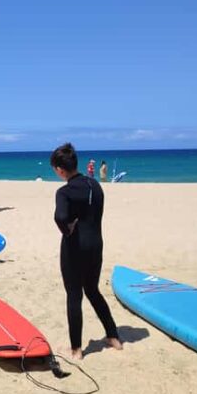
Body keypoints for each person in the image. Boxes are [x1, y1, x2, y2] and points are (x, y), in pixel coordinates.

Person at [50, 143, 122, 360]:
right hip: (95, 245)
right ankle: (114, 337)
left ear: (60, 170)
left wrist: (67, 228)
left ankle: (76, 350)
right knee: (92, 290)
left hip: (74, 247)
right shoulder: (95, 186)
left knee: (74, 295)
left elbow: (60, 217)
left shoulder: (64, 192)